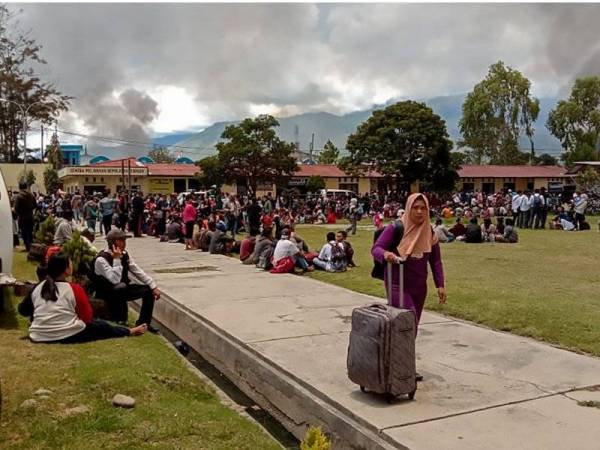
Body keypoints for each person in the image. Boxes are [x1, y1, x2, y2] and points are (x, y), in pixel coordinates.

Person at [371, 193, 446, 382]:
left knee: (411, 329)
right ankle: (396, 366)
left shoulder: (429, 232)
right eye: (416, 207)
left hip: (419, 287)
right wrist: (386, 254)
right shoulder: (397, 227)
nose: (419, 211)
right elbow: (376, 248)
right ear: (409, 207)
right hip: (398, 284)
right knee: (407, 322)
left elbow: (435, 261)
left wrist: (440, 284)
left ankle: (403, 366)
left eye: (423, 208)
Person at [18, 253, 147, 342]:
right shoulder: (74, 289)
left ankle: (128, 331)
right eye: (70, 263)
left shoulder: (37, 288)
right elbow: (87, 318)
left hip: (38, 334)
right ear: (66, 270)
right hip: (66, 334)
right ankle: (129, 331)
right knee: (101, 326)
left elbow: (23, 310)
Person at [91, 229, 160, 332]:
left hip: (122, 289)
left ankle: (144, 323)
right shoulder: (101, 259)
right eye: (122, 240)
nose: (124, 243)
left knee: (147, 290)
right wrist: (117, 259)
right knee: (121, 286)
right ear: (114, 242)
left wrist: (153, 285)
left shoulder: (125, 254)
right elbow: (115, 280)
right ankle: (120, 319)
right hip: (107, 293)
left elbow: (137, 270)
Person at [13, 181, 36, 252]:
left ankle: (28, 247)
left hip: (22, 217)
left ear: (19, 187)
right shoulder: (31, 195)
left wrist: (17, 213)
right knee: (30, 232)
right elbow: (35, 205)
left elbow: (16, 208)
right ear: (26, 186)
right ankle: (32, 247)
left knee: (24, 233)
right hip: (30, 216)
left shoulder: (18, 196)